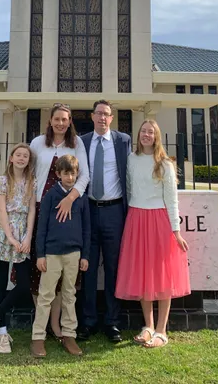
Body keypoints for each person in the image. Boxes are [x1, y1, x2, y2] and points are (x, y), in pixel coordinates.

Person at [115, 119, 190, 348]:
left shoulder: (165, 163)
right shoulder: (131, 159)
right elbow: (128, 188)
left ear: (157, 136)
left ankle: (161, 329)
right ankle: (148, 326)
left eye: (151, 132)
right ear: (138, 135)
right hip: (136, 218)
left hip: (159, 220)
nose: (146, 135)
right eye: (143, 132)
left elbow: (172, 198)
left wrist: (175, 231)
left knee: (162, 276)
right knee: (142, 274)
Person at [29, 104, 89, 339]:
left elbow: (84, 174)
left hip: (68, 209)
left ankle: (56, 325)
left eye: (65, 119)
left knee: (63, 278)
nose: (60, 123)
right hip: (41, 207)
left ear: (70, 120)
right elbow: (30, 173)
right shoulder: (37, 143)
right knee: (41, 269)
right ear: (50, 120)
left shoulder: (77, 144)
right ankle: (41, 324)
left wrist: (70, 199)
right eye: (56, 119)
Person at [78, 99, 131, 343]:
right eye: (98, 113)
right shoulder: (83, 141)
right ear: (92, 116)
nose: (102, 118)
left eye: (106, 114)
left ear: (111, 118)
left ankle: (112, 321)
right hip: (88, 211)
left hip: (114, 212)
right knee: (87, 268)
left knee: (113, 267)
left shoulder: (123, 141)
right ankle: (87, 322)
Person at [0, 143, 36, 354]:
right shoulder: (3, 181)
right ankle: (2, 333)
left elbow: (31, 211)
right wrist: (10, 237)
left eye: (26, 156)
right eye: (18, 155)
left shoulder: (32, 182)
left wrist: (28, 236)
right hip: (4, 233)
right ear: (11, 158)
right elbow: (1, 210)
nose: (22, 158)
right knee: (0, 284)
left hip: (24, 233)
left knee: (22, 285)